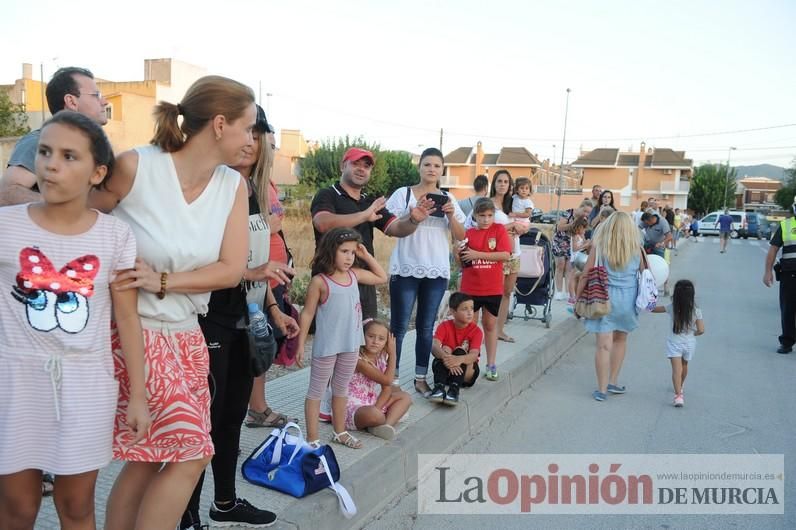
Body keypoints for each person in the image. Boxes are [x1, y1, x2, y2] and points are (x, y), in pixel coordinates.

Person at [94, 75, 253, 530]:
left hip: (186, 337)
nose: (251, 139)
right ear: (220, 125)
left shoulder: (231, 187)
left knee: (150, 458)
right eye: (247, 127)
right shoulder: (136, 167)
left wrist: (165, 279)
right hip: (134, 333)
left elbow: (231, 268)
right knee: (193, 454)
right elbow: (78, 220)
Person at [0, 112, 150, 529]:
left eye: (69, 156)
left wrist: (137, 395)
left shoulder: (114, 236)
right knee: (16, 507)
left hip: (86, 386)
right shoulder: (5, 227)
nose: (51, 164)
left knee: (77, 506)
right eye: (45, 152)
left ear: (97, 172)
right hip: (14, 381)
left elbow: (127, 320)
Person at [180, 105, 299, 530]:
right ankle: (187, 515)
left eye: (258, 131)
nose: (251, 139)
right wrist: (249, 275)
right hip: (206, 318)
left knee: (230, 419)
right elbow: (201, 258)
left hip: (243, 318)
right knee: (202, 424)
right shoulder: (206, 184)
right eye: (245, 130)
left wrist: (272, 311)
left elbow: (254, 262)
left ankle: (224, 503)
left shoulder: (249, 188)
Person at [311, 148, 432, 319]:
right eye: (355, 164)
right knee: (332, 341)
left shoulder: (369, 201)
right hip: (331, 281)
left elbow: (396, 228)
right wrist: (364, 216)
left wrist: (413, 220)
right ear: (342, 166)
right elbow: (322, 223)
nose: (361, 169)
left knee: (365, 341)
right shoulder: (327, 194)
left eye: (366, 166)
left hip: (364, 281)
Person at [296, 227, 388, 449]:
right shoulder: (320, 281)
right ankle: (312, 439)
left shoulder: (354, 275)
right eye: (344, 251)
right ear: (331, 251)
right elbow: (307, 314)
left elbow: (381, 277)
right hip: (327, 347)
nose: (349, 257)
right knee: (316, 391)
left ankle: (340, 432)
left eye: (352, 253)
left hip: (351, 344)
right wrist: (299, 344)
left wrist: (366, 256)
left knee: (341, 389)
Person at [385, 147, 465, 396]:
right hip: (406, 266)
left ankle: (420, 378)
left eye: (437, 166)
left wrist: (451, 217)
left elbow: (462, 236)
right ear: (419, 167)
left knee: (426, 327)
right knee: (398, 326)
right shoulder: (403, 194)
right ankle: (392, 379)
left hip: (436, 271)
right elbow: (389, 225)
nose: (432, 169)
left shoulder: (449, 200)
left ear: (442, 170)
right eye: (427, 164)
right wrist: (414, 213)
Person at [246, 119, 300, 430]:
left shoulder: (267, 183)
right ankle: (251, 410)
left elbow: (277, 224)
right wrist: (273, 220)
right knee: (252, 347)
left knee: (263, 346)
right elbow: (271, 223)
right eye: (270, 143)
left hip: (272, 278)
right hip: (254, 276)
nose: (271, 149)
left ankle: (257, 407)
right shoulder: (246, 184)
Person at [1, 67, 109, 207]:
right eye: (96, 95)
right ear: (71, 101)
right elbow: (8, 192)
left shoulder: (95, 146)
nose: (104, 102)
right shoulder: (38, 142)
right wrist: (68, 208)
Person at [578, 212, 642, 402]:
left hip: (604, 297)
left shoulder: (600, 247)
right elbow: (646, 274)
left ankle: (602, 389)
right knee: (621, 340)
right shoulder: (637, 249)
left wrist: (578, 297)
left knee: (603, 345)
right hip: (628, 299)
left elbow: (585, 274)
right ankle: (613, 381)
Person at [459, 198, 511, 381]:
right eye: (482, 216)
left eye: (490, 215)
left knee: (489, 325)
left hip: (492, 288)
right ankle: (470, 363)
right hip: (470, 288)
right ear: (474, 215)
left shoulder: (499, 230)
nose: (486, 220)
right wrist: (456, 253)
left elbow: (505, 254)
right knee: (470, 328)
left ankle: (491, 363)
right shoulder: (468, 233)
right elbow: (462, 262)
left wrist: (477, 254)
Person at [345, 319, 412, 440]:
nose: (375, 342)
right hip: (353, 406)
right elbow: (387, 380)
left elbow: (387, 388)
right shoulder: (358, 360)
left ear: (387, 342)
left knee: (405, 397)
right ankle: (379, 421)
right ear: (362, 336)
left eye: (381, 339)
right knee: (375, 414)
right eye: (371, 336)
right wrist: (393, 354)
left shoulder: (380, 358)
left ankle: (385, 425)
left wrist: (378, 408)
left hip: (372, 402)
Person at [486, 170, 529, 343]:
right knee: (493, 292)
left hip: (514, 252)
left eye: (506, 181)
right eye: (499, 181)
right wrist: (510, 226)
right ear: (494, 184)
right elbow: (486, 229)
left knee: (507, 292)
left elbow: (525, 221)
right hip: (496, 254)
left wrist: (522, 228)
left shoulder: (515, 204)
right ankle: (488, 330)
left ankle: (500, 330)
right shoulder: (488, 204)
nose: (503, 184)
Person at [651, 280, 704, 407]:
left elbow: (653, 309)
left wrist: (646, 302)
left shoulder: (672, 307)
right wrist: (693, 334)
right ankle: (681, 386)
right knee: (684, 365)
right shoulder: (696, 310)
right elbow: (701, 330)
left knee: (676, 370)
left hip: (674, 343)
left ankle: (678, 396)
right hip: (689, 343)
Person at [429, 292, 484, 405]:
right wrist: (447, 358)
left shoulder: (476, 331)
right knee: (445, 349)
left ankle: (454, 390)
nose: (470, 312)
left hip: (467, 375)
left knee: (459, 351)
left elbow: (474, 355)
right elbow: (434, 346)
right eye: (465, 309)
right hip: (448, 372)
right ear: (453, 312)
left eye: (472, 308)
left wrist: (458, 360)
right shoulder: (444, 326)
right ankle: (439, 388)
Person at [763, 201, 796, 354]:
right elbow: (773, 249)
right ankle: (787, 342)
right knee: (787, 309)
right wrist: (768, 272)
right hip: (790, 274)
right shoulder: (786, 225)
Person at [552, 200, 593, 300]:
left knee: (569, 268)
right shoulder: (568, 213)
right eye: (585, 211)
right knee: (560, 265)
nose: (586, 214)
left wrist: (585, 242)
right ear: (580, 207)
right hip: (561, 241)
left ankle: (567, 292)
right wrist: (574, 224)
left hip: (572, 243)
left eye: (588, 212)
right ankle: (559, 291)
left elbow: (582, 232)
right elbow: (560, 227)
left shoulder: (584, 219)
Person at [566, 217, 591, 305]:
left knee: (576, 277)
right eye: (583, 228)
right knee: (572, 278)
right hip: (576, 259)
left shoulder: (581, 235)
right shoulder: (575, 236)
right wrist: (585, 245)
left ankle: (575, 295)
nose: (585, 230)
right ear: (579, 228)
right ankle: (571, 296)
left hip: (580, 258)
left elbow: (584, 243)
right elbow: (575, 248)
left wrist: (587, 242)